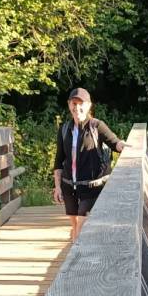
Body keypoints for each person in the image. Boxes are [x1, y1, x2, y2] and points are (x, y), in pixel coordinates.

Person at [53, 87, 125, 241]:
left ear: (89, 106)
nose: (77, 107)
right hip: (68, 186)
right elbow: (58, 161)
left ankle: (77, 250)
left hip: (91, 187)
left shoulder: (96, 126)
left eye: (81, 104)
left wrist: (122, 145)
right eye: (74, 103)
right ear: (69, 104)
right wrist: (58, 187)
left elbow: (114, 143)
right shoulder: (64, 129)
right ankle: (75, 242)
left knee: (81, 226)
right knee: (74, 225)